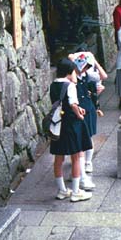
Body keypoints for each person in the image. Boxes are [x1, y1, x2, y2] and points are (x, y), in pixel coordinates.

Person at [50, 58, 92, 202]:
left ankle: (62, 190)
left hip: (58, 124)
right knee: (75, 156)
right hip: (71, 124)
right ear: (69, 71)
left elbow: (60, 103)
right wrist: (80, 115)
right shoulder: (70, 85)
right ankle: (75, 191)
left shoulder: (53, 85)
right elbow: (72, 104)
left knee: (58, 158)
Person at [68, 51, 107, 175]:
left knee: (89, 136)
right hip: (76, 110)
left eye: (88, 67)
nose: (86, 69)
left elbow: (103, 76)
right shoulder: (72, 77)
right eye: (85, 66)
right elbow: (70, 57)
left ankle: (88, 162)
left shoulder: (89, 76)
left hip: (89, 109)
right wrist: (82, 56)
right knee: (77, 138)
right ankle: (78, 163)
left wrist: (94, 60)